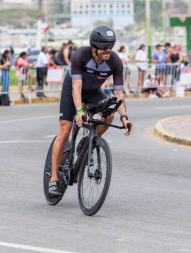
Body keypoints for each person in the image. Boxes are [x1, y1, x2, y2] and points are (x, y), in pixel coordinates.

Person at [48, 25, 133, 196]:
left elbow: (118, 93)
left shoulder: (115, 61)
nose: (108, 50)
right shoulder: (80, 55)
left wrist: (124, 117)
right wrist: (79, 111)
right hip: (72, 89)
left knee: (109, 115)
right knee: (65, 130)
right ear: (94, 47)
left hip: (93, 91)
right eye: (104, 47)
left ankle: (88, 142)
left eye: (111, 46)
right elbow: (76, 86)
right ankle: (54, 178)